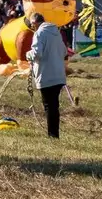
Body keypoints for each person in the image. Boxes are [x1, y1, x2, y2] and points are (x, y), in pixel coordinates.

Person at [26, 10, 68, 138]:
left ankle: (52, 135)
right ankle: (55, 133)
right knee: (54, 106)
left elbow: (37, 53)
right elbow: (64, 51)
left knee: (48, 106)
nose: (32, 28)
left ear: (35, 23)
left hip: (46, 74)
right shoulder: (56, 33)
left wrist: (27, 55)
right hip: (59, 74)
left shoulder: (39, 33)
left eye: (32, 25)